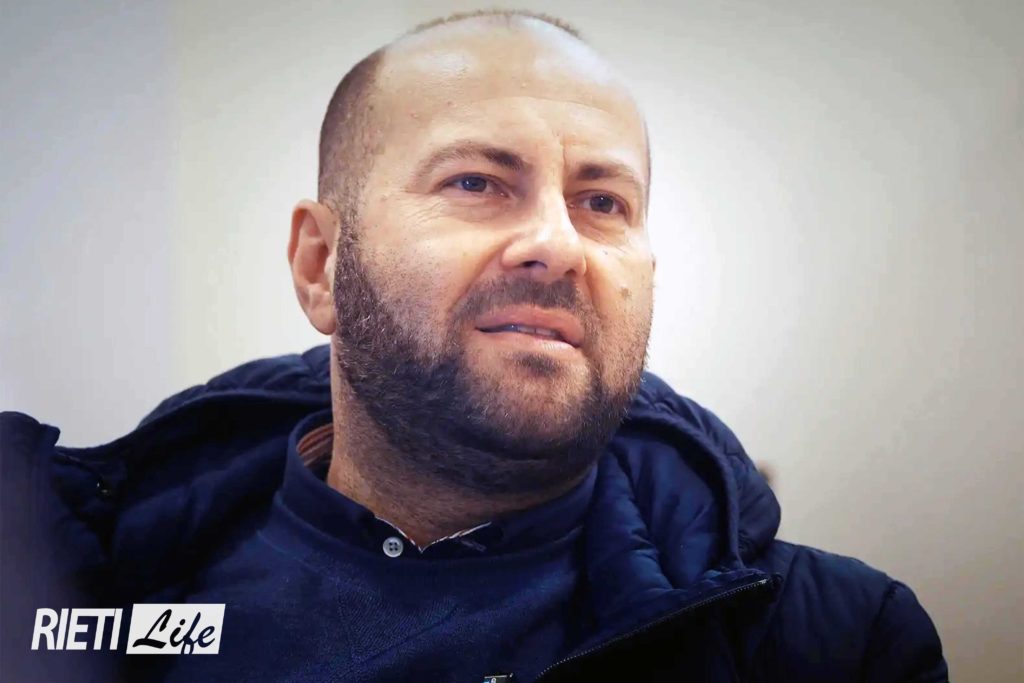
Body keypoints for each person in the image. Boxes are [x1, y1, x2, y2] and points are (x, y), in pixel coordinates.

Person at [1, 9, 947, 682]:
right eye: (476, 183)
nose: (559, 244)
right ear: (321, 265)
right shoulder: (68, 598)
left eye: (603, 201)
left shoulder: (839, 643)